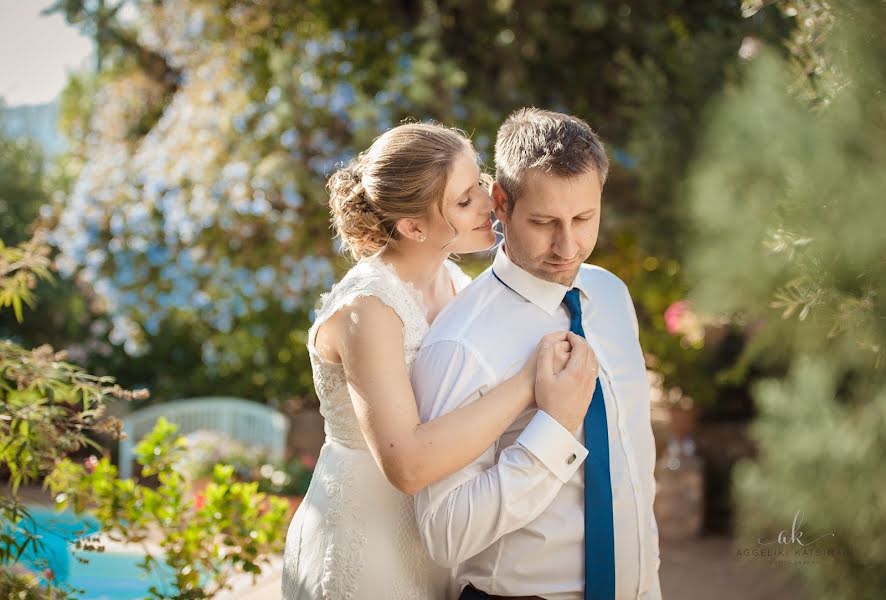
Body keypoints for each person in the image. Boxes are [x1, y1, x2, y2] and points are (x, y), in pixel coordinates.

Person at [281, 122, 595, 600]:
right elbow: (405, 465)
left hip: (439, 537)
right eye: (465, 200)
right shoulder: (369, 310)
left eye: (480, 183)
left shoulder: (455, 284)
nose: (491, 202)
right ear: (413, 227)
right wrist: (528, 382)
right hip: (368, 544)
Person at [413, 108, 662, 599]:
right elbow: (444, 535)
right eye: (545, 222)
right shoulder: (461, 342)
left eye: (584, 218)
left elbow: (633, 469)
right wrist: (555, 429)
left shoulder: (611, 297)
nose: (568, 246)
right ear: (501, 203)